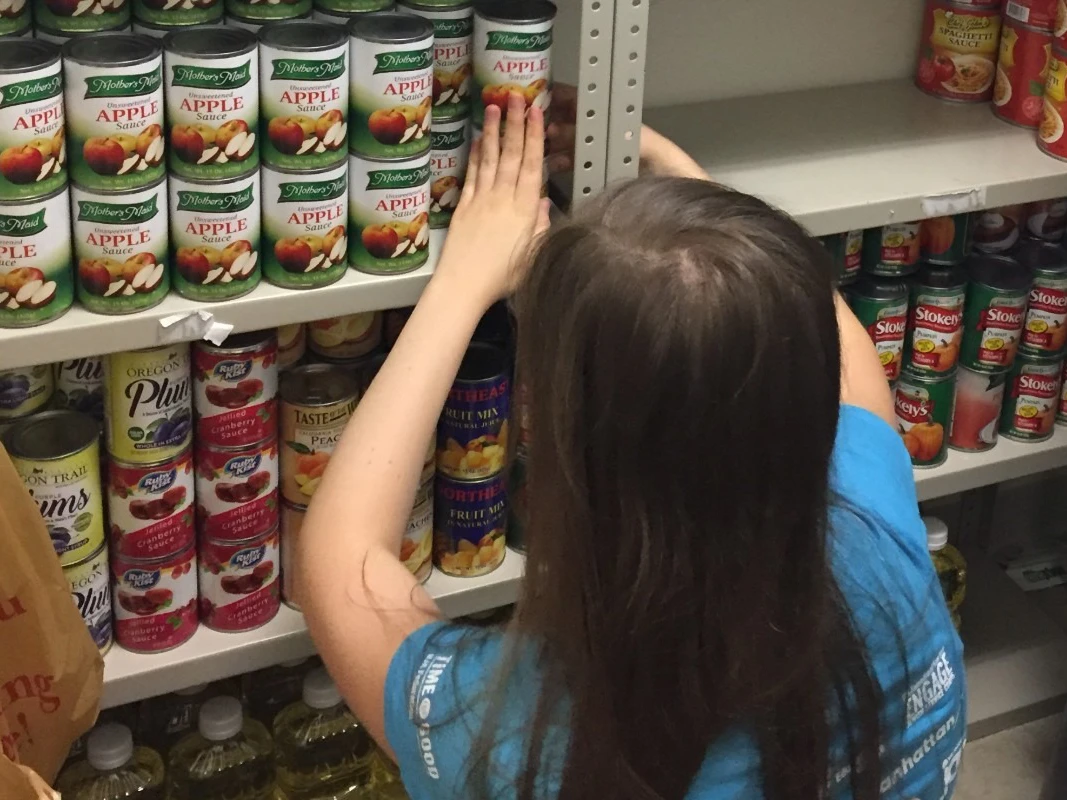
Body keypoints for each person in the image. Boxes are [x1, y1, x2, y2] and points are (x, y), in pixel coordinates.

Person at [297, 92, 966, 800]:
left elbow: (339, 565)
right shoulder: (887, 560)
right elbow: (851, 367)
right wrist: (689, 202)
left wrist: (462, 281)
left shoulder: (518, 740)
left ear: (556, 436)